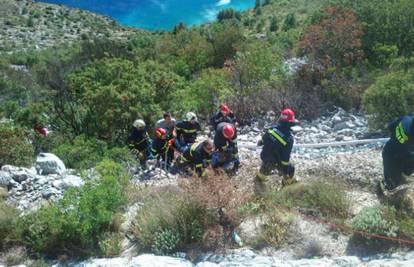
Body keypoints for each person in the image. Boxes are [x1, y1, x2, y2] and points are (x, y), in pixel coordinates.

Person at [257, 108, 298, 187]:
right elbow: (285, 157)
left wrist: (261, 142)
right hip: (276, 161)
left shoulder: (271, 129)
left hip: (264, 157)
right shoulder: (289, 138)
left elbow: (262, 140)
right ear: (291, 122)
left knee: (266, 167)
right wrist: (285, 171)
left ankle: (260, 177)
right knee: (291, 168)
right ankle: (287, 183)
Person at [379, 115, 414, 192]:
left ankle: (401, 177)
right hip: (393, 156)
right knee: (391, 185)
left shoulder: (406, 118)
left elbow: (390, 126)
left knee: (396, 180)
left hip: (390, 151)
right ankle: (383, 191)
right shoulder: (411, 136)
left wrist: (396, 137)